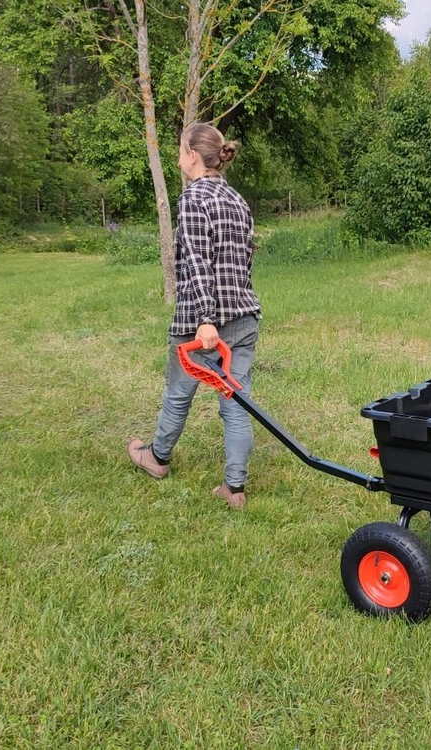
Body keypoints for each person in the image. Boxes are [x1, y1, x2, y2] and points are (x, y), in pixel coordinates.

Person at [128, 122, 261, 509]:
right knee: (237, 402)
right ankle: (234, 488)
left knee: (178, 393)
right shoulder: (237, 199)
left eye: (179, 151)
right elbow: (244, 262)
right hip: (244, 315)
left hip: (200, 323)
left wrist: (205, 319)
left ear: (192, 155)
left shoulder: (193, 199)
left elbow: (199, 264)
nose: (177, 159)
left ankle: (157, 458)